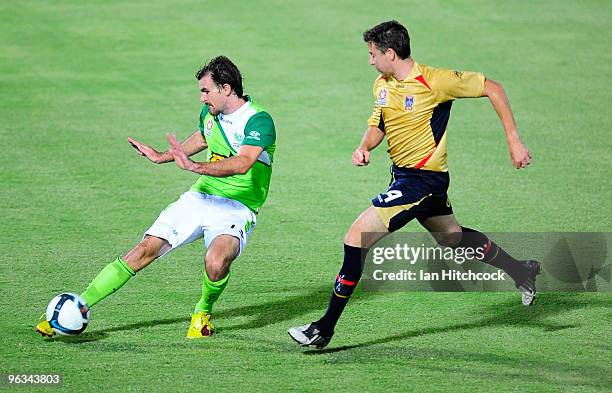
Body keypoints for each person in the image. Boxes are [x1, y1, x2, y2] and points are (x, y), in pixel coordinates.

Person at [288, 21, 540, 349]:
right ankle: (521, 270)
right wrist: (365, 146)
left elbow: (494, 88)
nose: (370, 61)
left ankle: (323, 328)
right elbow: (379, 124)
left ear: (390, 53)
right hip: (406, 178)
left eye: (372, 54)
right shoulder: (382, 84)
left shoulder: (435, 81)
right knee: (452, 238)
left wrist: (514, 141)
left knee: (355, 238)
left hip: (422, 181)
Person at [36, 56, 276, 339]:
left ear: (226, 89)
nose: (201, 98)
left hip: (237, 208)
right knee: (143, 250)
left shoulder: (259, 120)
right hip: (201, 197)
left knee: (216, 261)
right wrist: (163, 156)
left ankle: (202, 312)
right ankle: (79, 306)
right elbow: (202, 137)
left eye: (205, 90)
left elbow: (242, 163)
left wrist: (194, 166)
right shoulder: (211, 115)